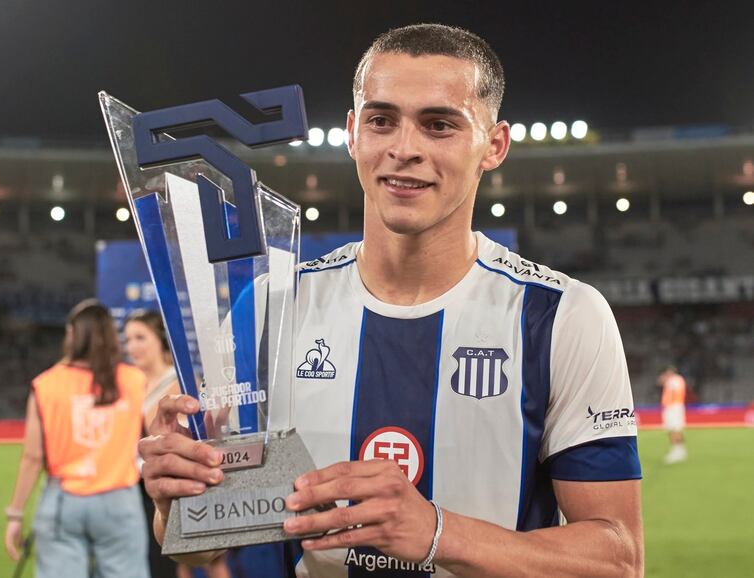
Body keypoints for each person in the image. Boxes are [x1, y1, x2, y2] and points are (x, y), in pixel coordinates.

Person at [139, 24, 644, 577]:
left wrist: (437, 533)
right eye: (382, 121)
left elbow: (618, 560)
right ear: (354, 133)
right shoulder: (270, 307)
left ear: (493, 146)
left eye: (439, 125)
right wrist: (177, 503)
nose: (405, 149)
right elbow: (200, 545)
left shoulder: (560, 317)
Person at [4, 299, 149, 578]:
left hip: (64, 500)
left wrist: (16, 513)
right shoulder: (133, 380)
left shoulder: (46, 384)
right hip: (119, 501)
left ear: (71, 334)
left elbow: (33, 457)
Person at [124, 309, 231, 578]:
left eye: (140, 337)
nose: (132, 346)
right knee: (171, 559)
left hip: (177, 483)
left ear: (160, 340)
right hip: (137, 487)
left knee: (205, 559)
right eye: (128, 339)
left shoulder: (178, 383)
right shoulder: (130, 383)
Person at [658, 366, 688, 464]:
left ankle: (677, 451)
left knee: (674, 429)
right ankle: (679, 450)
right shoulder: (677, 380)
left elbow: (661, 382)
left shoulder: (674, 380)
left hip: (673, 407)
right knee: (672, 429)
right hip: (674, 406)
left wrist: (665, 379)